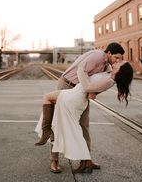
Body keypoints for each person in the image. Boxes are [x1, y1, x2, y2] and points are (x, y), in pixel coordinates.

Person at [35, 42, 125, 173]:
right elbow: (81, 72)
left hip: (79, 92)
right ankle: (54, 160)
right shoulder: (97, 56)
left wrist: (91, 90)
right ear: (109, 53)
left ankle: (86, 160)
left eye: (119, 59)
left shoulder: (106, 66)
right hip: (67, 85)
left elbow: (95, 85)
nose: (117, 61)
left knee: (84, 125)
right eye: (116, 57)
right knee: (58, 123)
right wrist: (88, 88)